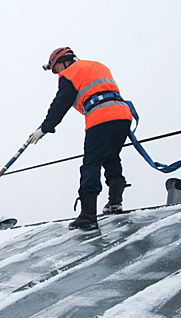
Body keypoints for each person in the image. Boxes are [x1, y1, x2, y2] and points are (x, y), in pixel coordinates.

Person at [27, 47, 133, 231]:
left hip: (100, 116)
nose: (58, 73)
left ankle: (88, 216)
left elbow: (60, 103)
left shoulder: (70, 73)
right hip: (123, 114)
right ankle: (115, 203)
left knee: (91, 163)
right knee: (112, 157)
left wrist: (45, 128)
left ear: (64, 62)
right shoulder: (96, 65)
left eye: (56, 69)